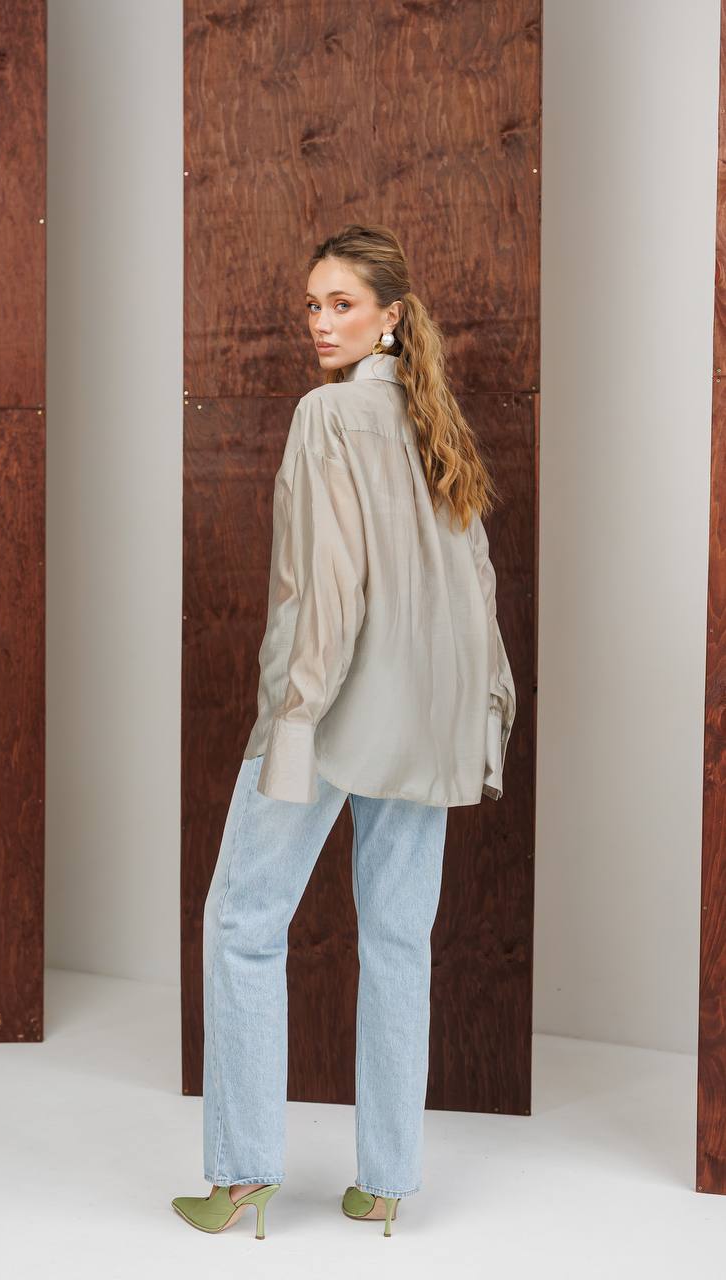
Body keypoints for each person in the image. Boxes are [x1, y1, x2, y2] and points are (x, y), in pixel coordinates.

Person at [171, 224, 516, 1239]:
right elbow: (478, 593)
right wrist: (484, 716)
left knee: (243, 923)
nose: (320, 323)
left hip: (330, 716)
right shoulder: (434, 424)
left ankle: (243, 1178)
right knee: (398, 941)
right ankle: (387, 1185)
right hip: (429, 723)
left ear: (389, 315)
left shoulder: (326, 417)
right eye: (313, 306)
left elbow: (319, 593)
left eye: (342, 304)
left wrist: (290, 721)